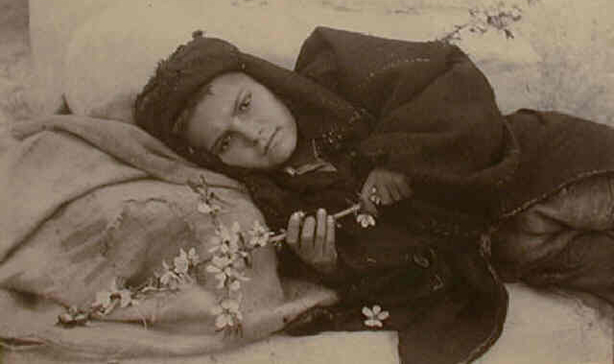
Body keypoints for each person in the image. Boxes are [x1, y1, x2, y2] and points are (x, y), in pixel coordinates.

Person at [134, 27, 614, 363]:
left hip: (525, 166)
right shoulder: (283, 210)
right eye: (225, 142)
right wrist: (329, 264)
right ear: (215, 162)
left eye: (245, 104)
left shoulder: (336, 67)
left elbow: (444, 76)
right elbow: (391, 274)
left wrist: (397, 157)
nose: (252, 134)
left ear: (263, 79)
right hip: (501, 248)